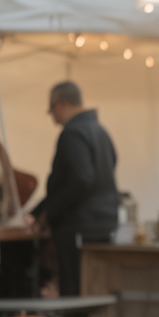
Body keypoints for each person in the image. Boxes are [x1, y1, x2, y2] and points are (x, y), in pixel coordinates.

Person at [32, 82, 118, 296]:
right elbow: (110, 165)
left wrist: (48, 213)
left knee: (75, 289)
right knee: (95, 287)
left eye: (51, 109)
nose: (52, 116)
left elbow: (79, 180)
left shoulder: (72, 133)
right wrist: (37, 211)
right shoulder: (100, 131)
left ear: (61, 104)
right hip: (104, 223)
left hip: (79, 225)